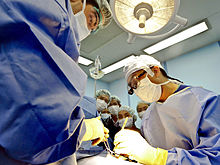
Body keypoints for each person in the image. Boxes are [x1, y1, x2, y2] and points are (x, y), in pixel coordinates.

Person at [0, 0, 112, 164]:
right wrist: (85, 130)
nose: (88, 29)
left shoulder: (61, 40)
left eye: (93, 29)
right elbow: (32, 128)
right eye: (92, 19)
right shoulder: (51, 12)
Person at [113, 55, 220, 165]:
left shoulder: (205, 101)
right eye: (132, 87)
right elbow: (146, 153)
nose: (136, 89)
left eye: (136, 81)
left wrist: (160, 158)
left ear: (155, 71)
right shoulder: (148, 116)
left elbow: (215, 157)